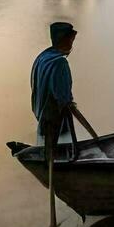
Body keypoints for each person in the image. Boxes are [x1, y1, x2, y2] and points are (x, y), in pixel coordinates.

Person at [31, 21, 79, 153]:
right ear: (63, 40)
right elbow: (63, 98)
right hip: (55, 121)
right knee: (60, 151)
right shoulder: (59, 63)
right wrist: (70, 105)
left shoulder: (42, 58)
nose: (71, 44)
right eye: (70, 40)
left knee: (50, 151)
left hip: (42, 119)